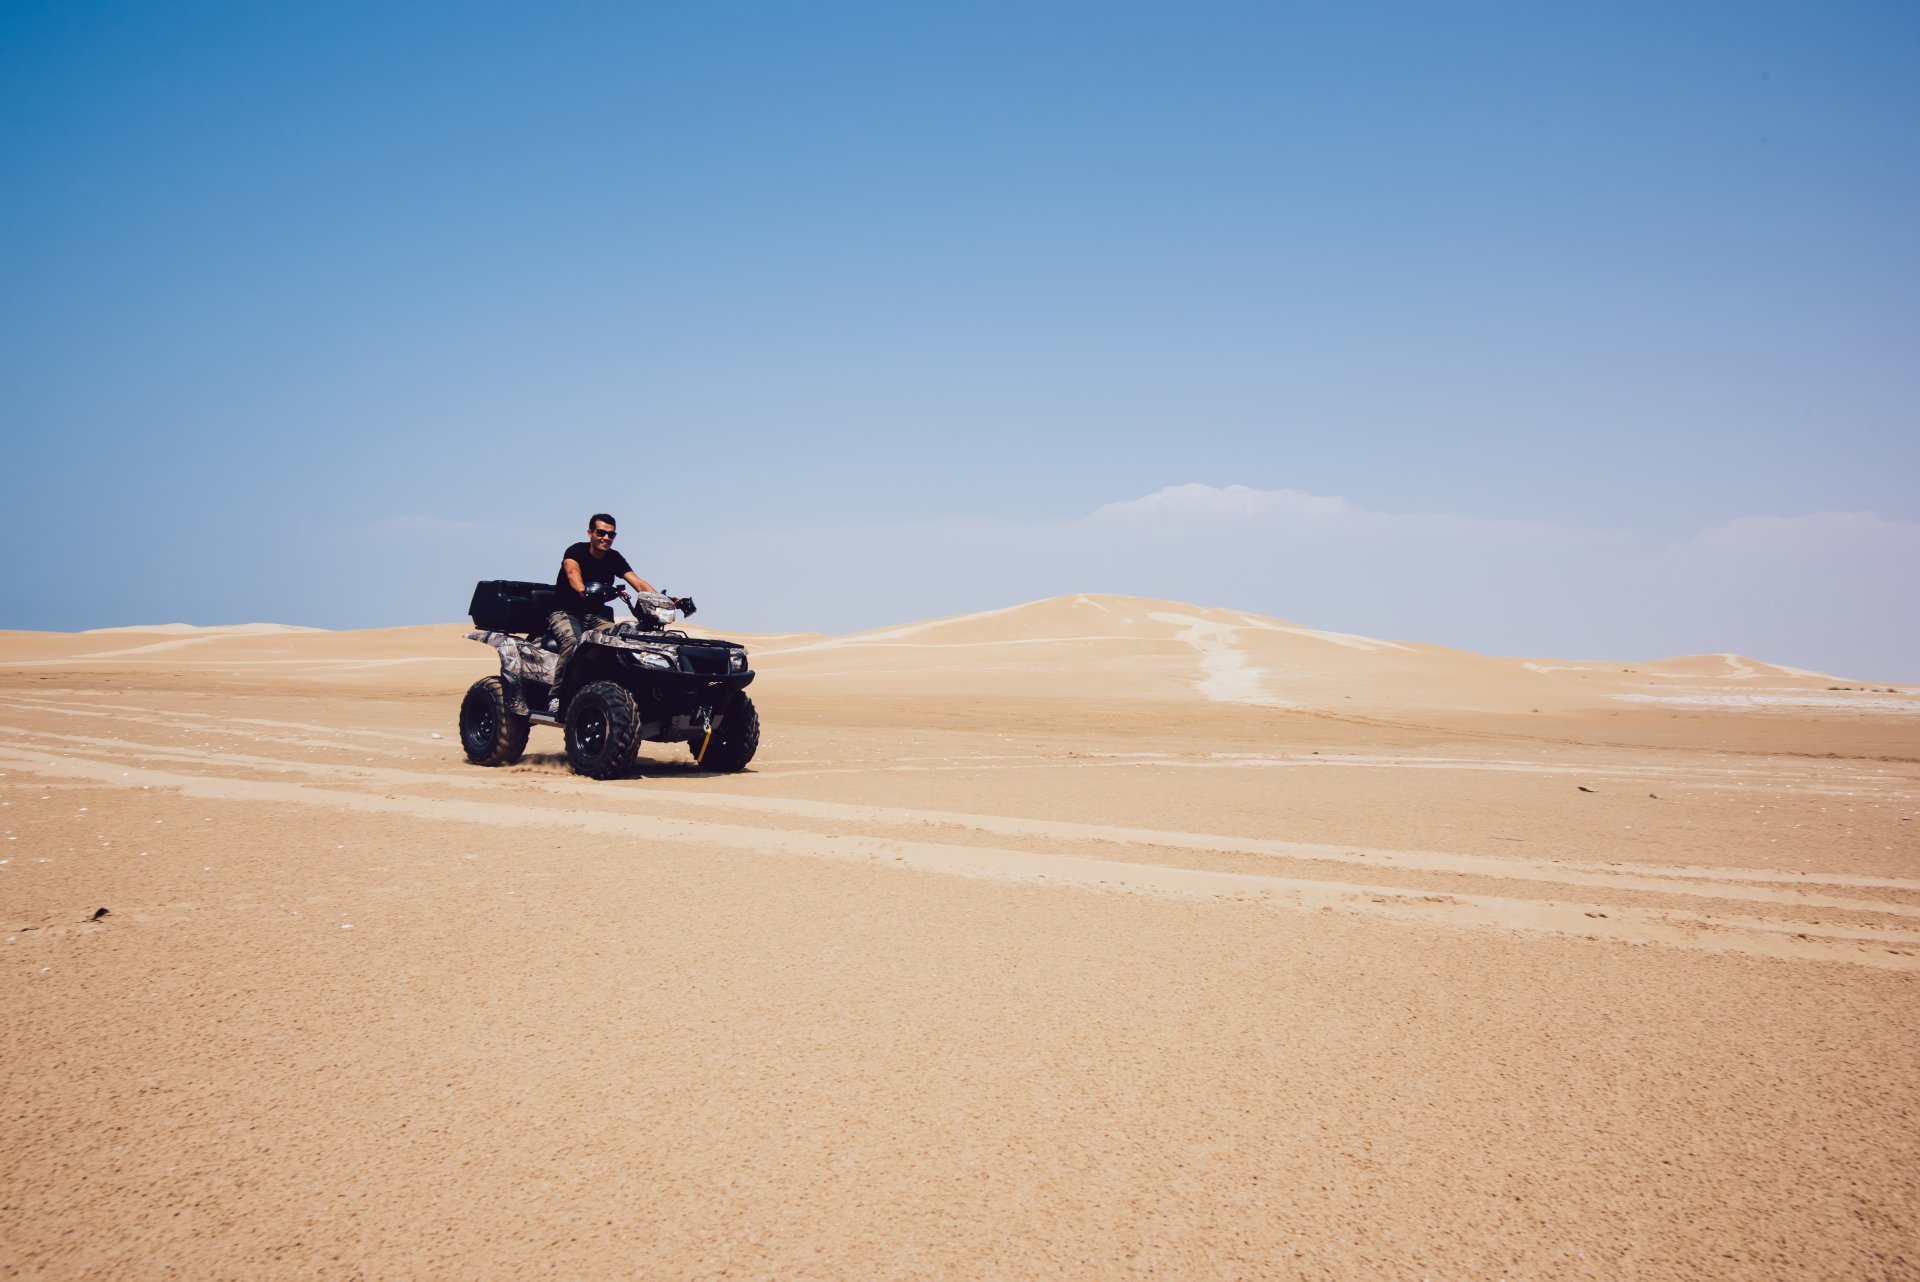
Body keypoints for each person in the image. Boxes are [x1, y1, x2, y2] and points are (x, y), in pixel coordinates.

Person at [546, 513, 658, 713]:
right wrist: (582, 589)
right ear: (590, 533)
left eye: (611, 535)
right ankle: (556, 697)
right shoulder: (576, 550)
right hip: (566, 612)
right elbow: (572, 570)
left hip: (597, 617)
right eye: (601, 533)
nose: (606, 538)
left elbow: (637, 582)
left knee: (624, 639)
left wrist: (659, 600)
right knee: (574, 642)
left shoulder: (614, 558)